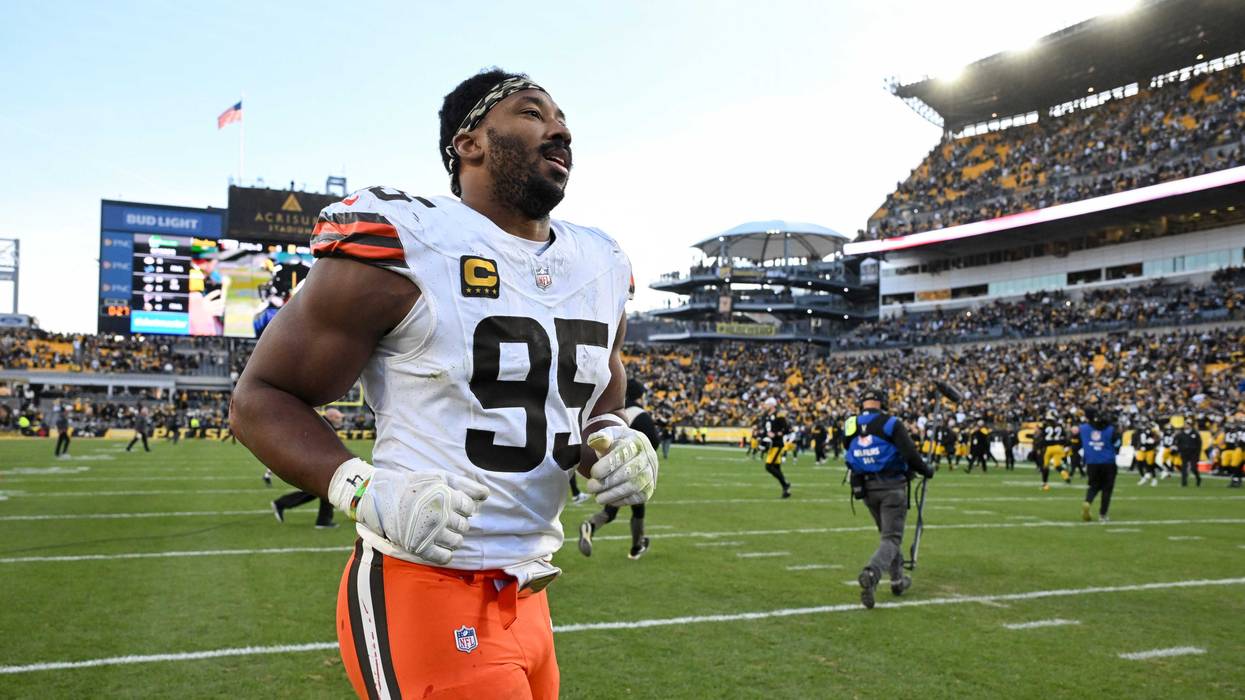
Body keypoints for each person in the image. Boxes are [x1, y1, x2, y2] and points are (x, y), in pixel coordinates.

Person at [229, 69, 657, 700]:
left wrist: (615, 439)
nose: (560, 128)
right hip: (422, 581)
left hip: (530, 590)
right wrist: (363, 488)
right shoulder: (413, 242)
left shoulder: (600, 263)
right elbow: (259, 399)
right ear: (470, 143)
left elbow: (600, 394)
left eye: (562, 117)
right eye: (533, 112)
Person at [844, 386, 934, 609]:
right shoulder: (891, 423)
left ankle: (897, 582)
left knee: (889, 537)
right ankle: (872, 573)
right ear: (883, 403)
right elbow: (909, 453)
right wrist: (926, 470)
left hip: (866, 489)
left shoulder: (850, 424)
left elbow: (848, 452)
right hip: (892, 486)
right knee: (891, 539)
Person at [578, 379, 658, 559]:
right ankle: (637, 546)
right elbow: (654, 440)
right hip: (632, 466)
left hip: (609, 466)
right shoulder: (640, 414)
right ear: (640, 395)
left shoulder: (610, 412)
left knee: (611, 509)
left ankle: (591, 525)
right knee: (638, 507)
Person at [1074, 408, 1122, 522]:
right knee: (1107, 489)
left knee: (1093, 486)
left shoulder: (1083, 429)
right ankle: (1103, 514)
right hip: (1108, 462)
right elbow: (1117, 443)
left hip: (1092, 462)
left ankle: (1088, 501)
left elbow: (1075, 440)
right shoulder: (1110, 429)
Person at [759, 397, 792, 498]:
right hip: (770, 445)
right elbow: (766, 430)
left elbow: (787, 429)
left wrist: (777, 434)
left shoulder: (779, 415)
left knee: (769, 466)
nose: (765, 406)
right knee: (777, 467)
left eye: (767, 404)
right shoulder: (765, 416)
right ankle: (785, 489)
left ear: (772, 405)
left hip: (776, 444)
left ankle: (785, 483)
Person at [1175, 415, 1204, 487]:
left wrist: (1198, 454)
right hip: (1184, 452)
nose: (1186, 425)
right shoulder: (1181, 434)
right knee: (1184, 468)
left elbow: (1199, 444)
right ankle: (1184, 482)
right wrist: (1179, 450)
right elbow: (1177, 443)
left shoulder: (1195, 434)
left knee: (1193, 468)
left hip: (1193, 453)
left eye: (1187, 424)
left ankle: (1198, 478)